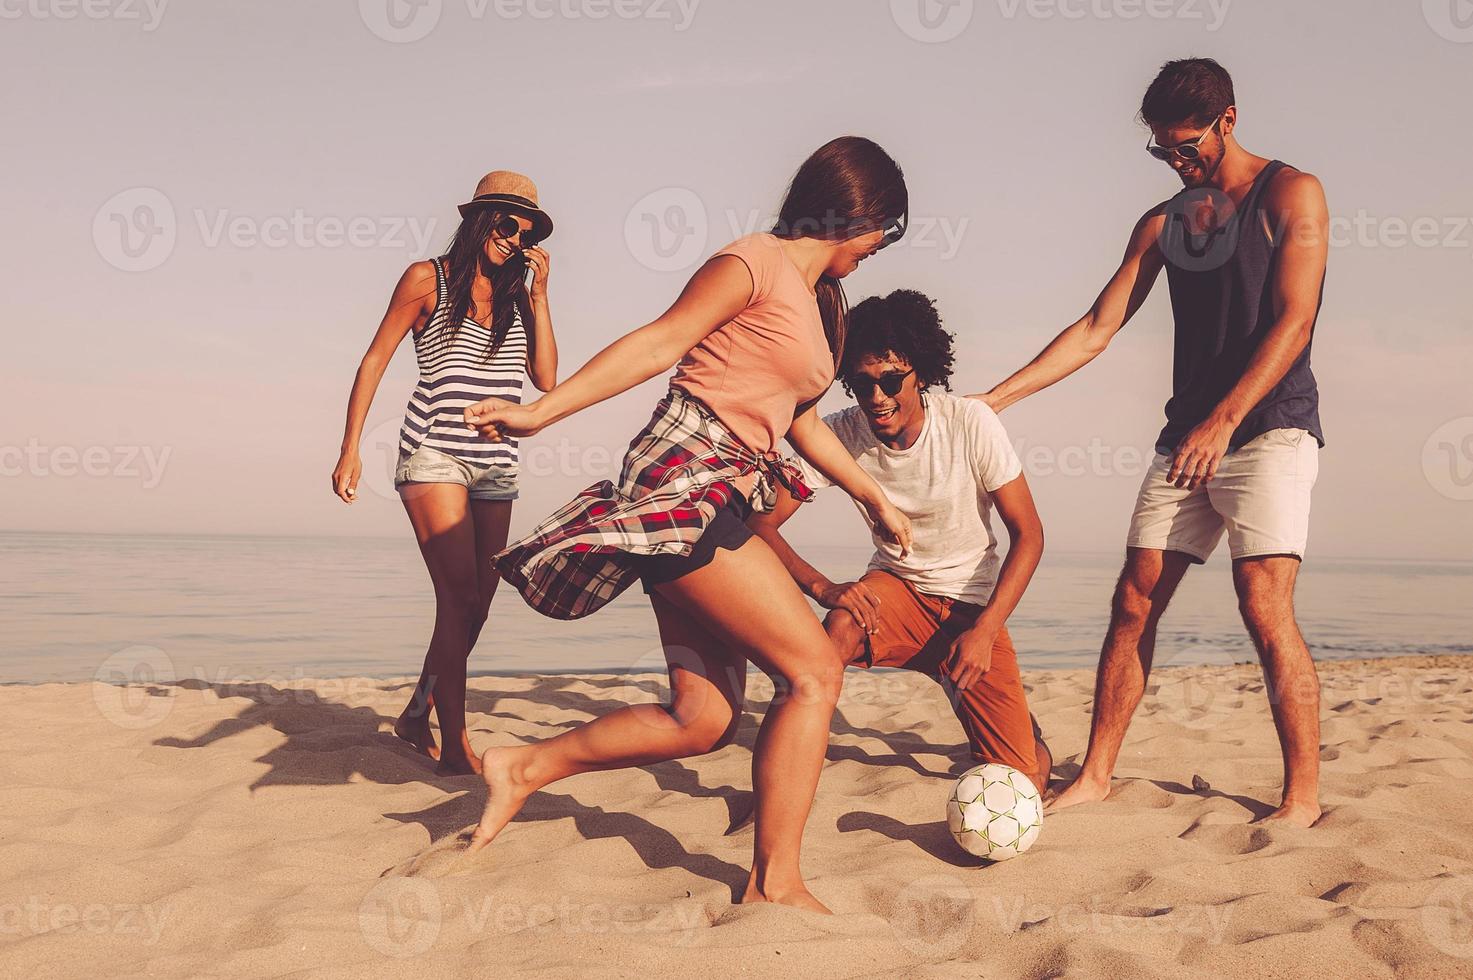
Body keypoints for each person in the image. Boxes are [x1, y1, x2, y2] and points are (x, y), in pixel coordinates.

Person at [460, 137, 913, 913]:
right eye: (886, 231)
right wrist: (543, 409)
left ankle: (523, 766)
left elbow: (798, 420)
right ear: (857, 213)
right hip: (684, 478)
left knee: (700, 719)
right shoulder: (753, 261)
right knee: (813, 672)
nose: (879, 249)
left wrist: (870, 495)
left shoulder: (812, 305)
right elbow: (660, 341)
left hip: (724, 490)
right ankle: (775, 885)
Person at [976, 59, 1329, 826]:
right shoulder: (1164, 223)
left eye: (1188, 147)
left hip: (1267, 427)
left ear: (1226, 121)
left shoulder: (1291, 193)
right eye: (1162, 151)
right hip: (1186, 437)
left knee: (1262, 601)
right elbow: (1096, 329)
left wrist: (1226, 418)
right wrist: (990, 402)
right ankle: (1097, 774)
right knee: (1132, 599)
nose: (1178, 162)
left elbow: (1293, 321)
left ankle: (1300, 798)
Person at [748, 289, 1052, 795]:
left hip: (970, 610)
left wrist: (985, 630)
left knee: (1023, 781)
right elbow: (761, 523)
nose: (877, 398)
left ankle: (1026, 733)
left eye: (891, 380)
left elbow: (1030, 535)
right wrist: (824, 588)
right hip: (896, 591)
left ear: (922, 371)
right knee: (833, 635)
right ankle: (778, 788)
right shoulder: (840, 433)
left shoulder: (971, 422)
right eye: (862, 384)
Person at [332, 171, 559, 775]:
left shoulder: (516, 294)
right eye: (506, 223)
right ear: (479, 220)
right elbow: (375, 356)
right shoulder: (426, 278)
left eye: (526, 229)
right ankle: (455, 741)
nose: (514, 238)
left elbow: (546, 380)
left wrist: (539, 298)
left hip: (498, 463)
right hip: (434, 454)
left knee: (479, 602)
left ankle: (417, 712)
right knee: (457, 596)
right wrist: (351, 446)